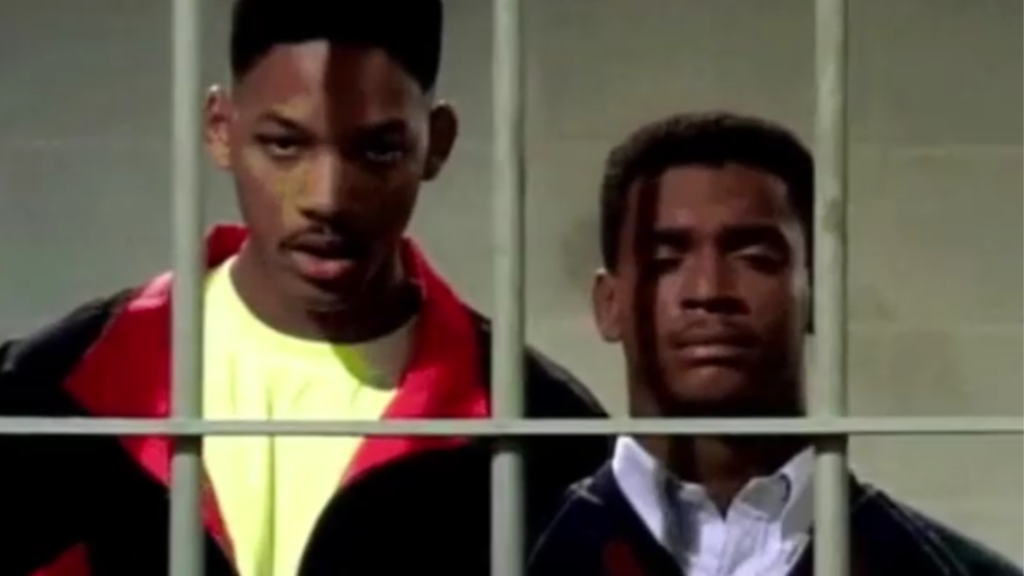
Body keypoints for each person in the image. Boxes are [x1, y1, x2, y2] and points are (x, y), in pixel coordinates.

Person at [0, 1, 609, 574]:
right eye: (285, 145)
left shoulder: (548, 436)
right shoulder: (38, 393)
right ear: (219, 129)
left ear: (437, 142)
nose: (328, 198)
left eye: (378, 150)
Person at [527, 112, 1022, 575]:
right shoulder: (516, 557)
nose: (709, 291)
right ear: (608, 304)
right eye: (665, 260)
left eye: (755, 258)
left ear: (819, 295)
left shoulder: (953, 570)